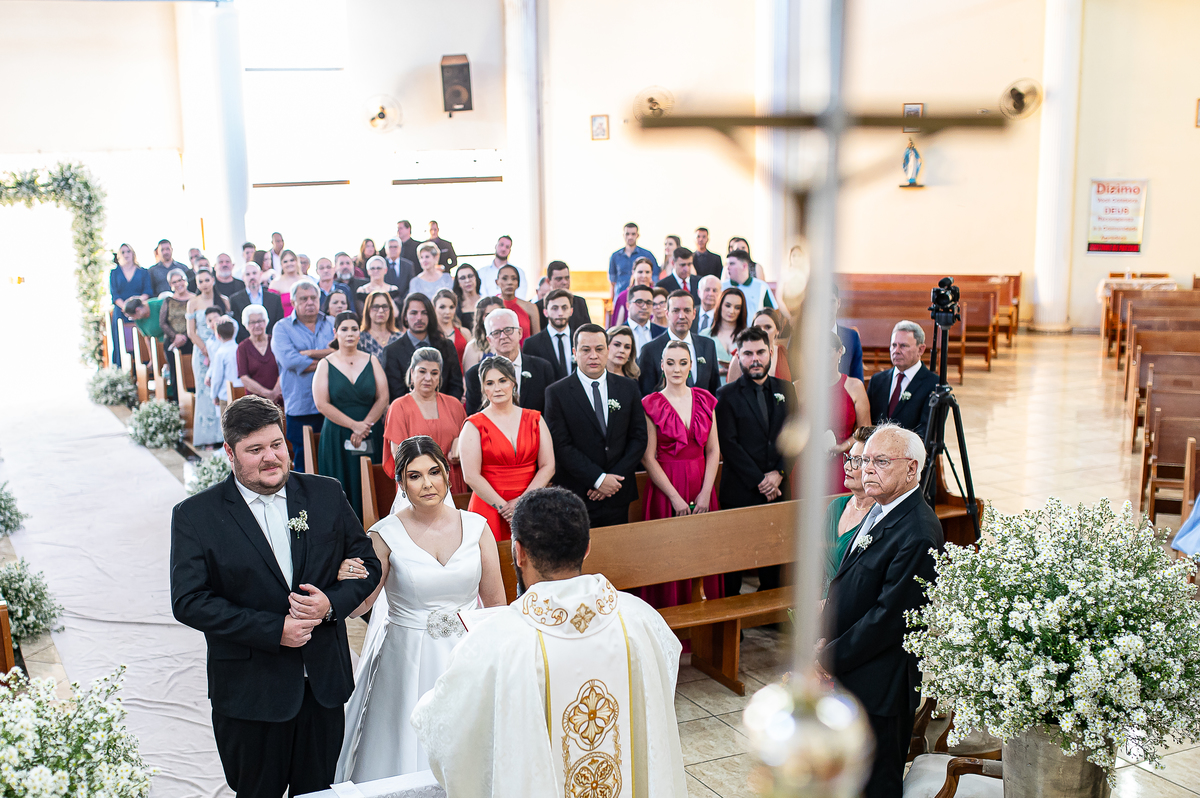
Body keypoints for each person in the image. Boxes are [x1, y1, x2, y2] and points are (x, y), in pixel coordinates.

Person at [411, 487, 687, 798]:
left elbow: (446, 729)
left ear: (519, 552)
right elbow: (661, 686)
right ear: (586, 548)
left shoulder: (496, 640)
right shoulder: (640, 619)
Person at [169, 396, 381, 798]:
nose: (271, 458)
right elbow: (189, 600)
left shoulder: (324, 494)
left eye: (277, 445)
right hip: (251, 692)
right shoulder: (195, 515)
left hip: (323, 686)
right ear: (229, 452)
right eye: (255, 450)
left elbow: (366, 563)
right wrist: (273, 629)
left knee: (318, 792)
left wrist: (331, 604)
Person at [333, 436, 505, 780]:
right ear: (401, 484)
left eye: (434, 472)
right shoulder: (384, 535)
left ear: (447, 475)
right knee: (403, 748)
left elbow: (497, 605)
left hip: (467, 655)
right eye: (414, 476)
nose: (427, 484)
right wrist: (345, 579)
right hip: (407, 657)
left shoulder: (476, 528)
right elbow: (360, 607)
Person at [818, 424, 942, 798]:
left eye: (881, 461)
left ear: (912, 470)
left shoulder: (918, 531)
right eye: (865, 459)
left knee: (874, 785)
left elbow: (889, 618)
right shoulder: (881, 509)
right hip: (855, 672)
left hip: (880, 686)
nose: (867, 468)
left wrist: (827, 656)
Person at [639, 340, 723, 608]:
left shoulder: (705, 399)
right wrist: (674, 497)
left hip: (702, 485)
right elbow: (648, 457)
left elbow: (713, 450)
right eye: (671, 362)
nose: (677, 368)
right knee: (669, 555)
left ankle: (704, 622)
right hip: (667, 488)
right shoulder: (651, 404)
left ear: (691, 365)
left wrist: (706, 493)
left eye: (683, 362)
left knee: (702, 553)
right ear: (661, 365)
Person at [716, 326, 796, 595]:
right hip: (740, 490)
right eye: (748, 353)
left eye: (760, 352)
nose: (755, 359)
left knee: (773, 555)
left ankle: (770, 618)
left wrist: (780, 473)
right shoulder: (726, 394)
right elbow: (729, 443)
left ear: (770, 352)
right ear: (738, 356)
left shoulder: (786, 390)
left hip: (778, 487)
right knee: (733, 558)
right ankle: (730, 624)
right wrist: (761, 480)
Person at [544, 324, 648, 528]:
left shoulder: (628, 388)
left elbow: (638, 438)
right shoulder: (557, 393)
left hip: (618, 493)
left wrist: (612, 481)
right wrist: (598, 479)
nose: (593, 355)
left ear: (607, 351)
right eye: (586, 349)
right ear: (574, 353)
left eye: (599, 349)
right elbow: (561, 445)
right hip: (576, 494)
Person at [460, 356, 556, 541]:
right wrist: (504, 508)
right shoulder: (473, 425)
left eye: (502, 380)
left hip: (530, 503)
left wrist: (522, 503)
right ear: (483, 389)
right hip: (489, 506)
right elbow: (471, 476)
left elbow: (548, 466)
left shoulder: (535, 419)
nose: (497, 388)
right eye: (490, 383)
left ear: (513, 382)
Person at [313, 312, 388, 518]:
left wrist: (365, 425)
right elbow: (321, 403)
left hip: (370, 431)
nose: (350, 333)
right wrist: (354, 425)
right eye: (344, 329)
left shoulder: (372, 360)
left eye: (354, 329)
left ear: (359, 332)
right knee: (341, 483)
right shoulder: (325, 364)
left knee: (372, 483)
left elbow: (383, 398)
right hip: (338, 433)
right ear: (336, 332)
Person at [381, 348, 468, 494]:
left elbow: (470, 445)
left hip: (452, 482)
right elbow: (399, 456)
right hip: (418, 484)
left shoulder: (454, 405)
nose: (428, 378)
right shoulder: (399, 407)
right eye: (422, 372)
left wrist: (460, 446)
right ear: (412, 372)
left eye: (434, 373)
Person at [271, 280, 335, 470]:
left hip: (334, 405)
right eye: (303, 299)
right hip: (301, 405)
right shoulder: (282, 328)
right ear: (293, 302)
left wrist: (307, 354)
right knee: (304, 461)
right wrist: (328, 358)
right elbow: (290, 361)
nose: (309, 302)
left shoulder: (332, 323)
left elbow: (344, 353)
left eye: (313, 298)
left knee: (332, 460)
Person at [463, 308, 555, 415]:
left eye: (508, 330)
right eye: (496, 333)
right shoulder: (475, 374)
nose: (503, 336)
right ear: (489, 340)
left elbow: (550, 413)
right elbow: (475, 416)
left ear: (520, 333)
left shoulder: (542, 368)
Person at [822, 426, 876, 593]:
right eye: (848, 458)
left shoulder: (880, 516)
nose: (847, 466)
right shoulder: (836, 507)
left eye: (857, 461)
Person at [382, 293, 464, 402]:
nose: (419, 318)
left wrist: (442, 408)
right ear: (405, 317)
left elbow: (456, 386)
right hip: (408, 414)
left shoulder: (446, 346)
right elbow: (396, 393)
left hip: (444, 411)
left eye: (424, 313)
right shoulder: (392, 351)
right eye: (414, 313)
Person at [638, 289, 721, 396]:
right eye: (676, 311)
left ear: (694, 313)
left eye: (687, 310)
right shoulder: (650, 350)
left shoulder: (707, 345)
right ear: (667, 314)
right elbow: (646, 394)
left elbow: (714, 388)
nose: (682, 316)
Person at [866, 320, 937, 438]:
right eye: (894, 345)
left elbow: (927, 434)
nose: (896, 351)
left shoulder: (933, 384)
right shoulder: (877, 381)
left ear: (921, 349)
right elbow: (869, 424)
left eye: (903, 346)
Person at [822, 332, 872, 493]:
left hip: (844, 462)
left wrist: (843, 446)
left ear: (839, 352)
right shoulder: (800, 387)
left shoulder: (854, 386)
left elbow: (865, 431)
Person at [188, 272, 233, 446]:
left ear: (213, 280)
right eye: (201, 281)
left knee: (222, 390)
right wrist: (206, 349)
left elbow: (229, 325)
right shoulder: (193, 303)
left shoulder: (224, 300)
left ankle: (224, 436)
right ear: (197, 284)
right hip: (202, 352)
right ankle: (207, 437)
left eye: (207, 280)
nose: (205, 284)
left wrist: (219, 348)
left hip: (223, 350)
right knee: (205, 393)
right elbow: (191, 332)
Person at [108, 243, 151, 367]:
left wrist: (135, 304)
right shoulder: (114, 273)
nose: (126, 254)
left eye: (128, 251)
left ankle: (145, 367)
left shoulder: (143, 272)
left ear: (133, 253)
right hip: (121, 312)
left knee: (142, 339)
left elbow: (147, 291)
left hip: (139, 311)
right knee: (120, 341)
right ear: (119, 256)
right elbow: (114, 295)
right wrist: (126, 307)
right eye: (123, 252)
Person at [727, 308, 793, 383]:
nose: (762, 331)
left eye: (768, 327)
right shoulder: (740, 356)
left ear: (777, 331)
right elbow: (730, 390)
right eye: (757, 328)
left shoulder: (783, 353)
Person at [521, 288, 575, 381]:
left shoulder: (579, 340)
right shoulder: (532, 344)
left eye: (564, 308)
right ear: (545, 312)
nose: (560, 313)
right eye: (554, 308)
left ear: (571, 311)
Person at [237, 304, 282, 406]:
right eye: (252, 322)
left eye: (260, 321)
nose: (257, 325)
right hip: (255, 403)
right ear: (246, 325)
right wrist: (267, 394)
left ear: (266, 322)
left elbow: (284, 368)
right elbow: (244, 377)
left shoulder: (276, 341)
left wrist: (275, 392)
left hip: (280, 398)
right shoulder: (242, 347)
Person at [230, 261, 285, 343]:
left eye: (254, 273)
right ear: (243, 277)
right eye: (248, 274)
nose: (252, 277)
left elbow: (278, 322)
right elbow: (238, 326)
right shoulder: (235, 300)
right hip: (246, 344)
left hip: (272, 342)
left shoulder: (274, 298)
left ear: (261, 274)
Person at [159, 269, 194, 395]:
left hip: (192, 340)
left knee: (192, 371)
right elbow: (162, 323)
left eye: (180, 280)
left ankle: (192, 398)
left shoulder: (195, 299)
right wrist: (176, 336)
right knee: (175, 372)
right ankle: (177, 400)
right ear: (170, 285)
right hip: (172, 341)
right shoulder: (168, 301)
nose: (178, 284)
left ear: (185, 280)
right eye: (174, 282)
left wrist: (184, 337)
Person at [701, 286, 746, 383]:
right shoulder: (704, 335)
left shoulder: (748, 336)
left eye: (737, 307)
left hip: (741, 391)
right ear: (720, 305)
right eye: (728, 305)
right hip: (712, 392)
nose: (732, 311)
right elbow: (698, 369)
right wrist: (717, 371)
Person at [535, 260, 591, 332]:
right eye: (559, 279)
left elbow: (587, 330)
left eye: (567, 278)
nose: (564, 282)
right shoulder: (538, 307)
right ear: (548, 281)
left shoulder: (580, 302)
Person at [608, 221, 659, 299]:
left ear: (637, 235)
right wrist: (612, 302)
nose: (630, 237)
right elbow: (612, 282)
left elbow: (655, 279)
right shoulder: (615, 256)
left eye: (633, 234)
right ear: (623, 235)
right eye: (627, 234)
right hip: (621, 296)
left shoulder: (647, 255)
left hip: (642, 297)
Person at [723, 250, 779, 317]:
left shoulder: (761, 286)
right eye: (727, 264)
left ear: (744, 266)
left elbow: (773, 312)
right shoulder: (722, 286)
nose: (728, 268)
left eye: (732, 264)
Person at [356, 290, 404, 369]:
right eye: (376, 307)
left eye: (385, 307)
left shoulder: (400, 338)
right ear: (368, 310)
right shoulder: (360, 338)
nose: (381, 311)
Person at [460, 296, 505, 373]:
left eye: (497, 314)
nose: (493, 318)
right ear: (480, 318)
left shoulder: (511, 341)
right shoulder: (473, 347)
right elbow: (470, 381)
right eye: (488, 315)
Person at [495, 263, 539, 342]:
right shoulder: (492, 307)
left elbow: (537, 339)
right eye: (505, 278)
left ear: (518, 283)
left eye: (514, 279)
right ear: (497, 282)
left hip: (525, 353)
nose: (509, 282)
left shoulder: (530, 307)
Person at [206, 318, 240, 413]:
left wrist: (214, 395)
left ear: (218, 335)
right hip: (240, 391)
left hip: (226, 395)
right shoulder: (239, 349)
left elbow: (217, 377)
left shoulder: (220, 353)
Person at [609, 257, 655, 327]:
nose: (644, 276)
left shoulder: (657, 295)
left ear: (651, 273)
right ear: (633, 273)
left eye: (647, 272)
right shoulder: (623, 296)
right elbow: (617, 326)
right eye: (640, 272)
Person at [832, 285, 864, 381]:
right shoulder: (803, 337)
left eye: (832, 301)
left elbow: (857, 379)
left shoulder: (851, 337)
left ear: (838, 303)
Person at [433, 288, 468, 369]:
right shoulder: (430, 334)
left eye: (451, 307)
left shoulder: (465, 333)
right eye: (442, 307)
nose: (447, 311)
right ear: (434, 308)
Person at [626, 283, 665, 351]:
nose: (644, 307)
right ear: (628, 306)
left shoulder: (663, 333)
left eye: (648, 302)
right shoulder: (617, 334)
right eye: (639, 302)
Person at [269, 250, 304, 317]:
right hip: (284, 324)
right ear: (281, 264)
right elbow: (272, 309)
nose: (289, 263)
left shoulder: (306, 280)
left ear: (297, 262)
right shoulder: (275, 284)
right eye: (285, 262)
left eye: (292, 260)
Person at [452, 264, 483, 329]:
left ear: (476, 278)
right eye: (463, 278)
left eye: (470, 276)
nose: (467, 280)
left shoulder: (485, 301)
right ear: (458, 282)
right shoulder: (454, 305)